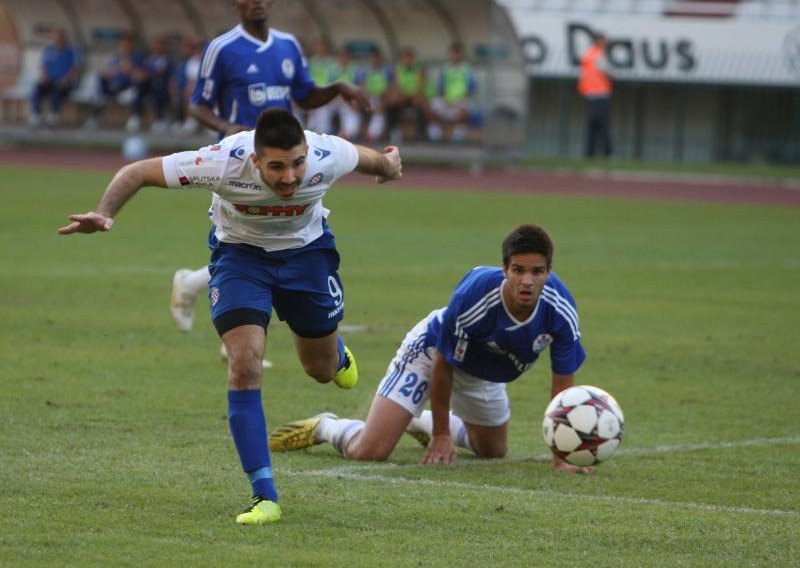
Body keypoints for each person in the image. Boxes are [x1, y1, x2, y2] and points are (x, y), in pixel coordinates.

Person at [58, 108, 404, 524]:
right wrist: (105, 211)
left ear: (307, 152)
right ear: (256, 161)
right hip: (241, 261)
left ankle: (336, 355)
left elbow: (373, 160)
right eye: (276, 167)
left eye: (297, 164)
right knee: (244, 364)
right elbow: (137, 172)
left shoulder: (328, 154)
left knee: (321, 370)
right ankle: (264, 496)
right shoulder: (222, 161)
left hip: (308, 258)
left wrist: (389, 165)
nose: (290, 177)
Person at [268, 224, 593, 475]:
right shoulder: (476, 297)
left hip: (485, 371)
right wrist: (441, 436)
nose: (527, 281)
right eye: (518, 270)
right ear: (505, 268)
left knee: (493, 450)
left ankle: (415, 420)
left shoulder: (560, 309)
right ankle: (328, 426)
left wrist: (562, 456)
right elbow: (443, 364)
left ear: (549, 271)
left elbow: (562, 386)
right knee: (370, 451)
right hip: (431, 354)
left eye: (537, 272)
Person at [170, 0, 370, 343]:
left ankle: (192, 286)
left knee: (268, 242)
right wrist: (226, 126)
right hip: (241, 166)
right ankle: (238, 338)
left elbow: (305, 97)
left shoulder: (288, 45)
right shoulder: (221, 48)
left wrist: (337, 88)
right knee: (250, 242)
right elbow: (197, 104)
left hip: (285, 165)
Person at [84, 31, 145, 130]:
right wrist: (117, 69)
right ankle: (94, 117)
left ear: (132, 45)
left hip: (127, 88)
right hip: (112, 87)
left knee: (137, 90)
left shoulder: (137, 58)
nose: (125, 47)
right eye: (123, 44)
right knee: (100, 86)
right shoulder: (116, 58)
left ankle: (135, 118)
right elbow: (106, 72)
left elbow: (141, 76)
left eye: (128, 44)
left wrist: (131, 69)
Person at [28, 27, 80, 127]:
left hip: (65, 83)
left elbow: (75, 68)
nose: (57, 39)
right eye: (55, 37)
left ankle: (53, 115)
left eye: (59, 37)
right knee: (37, 88)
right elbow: (43, 65)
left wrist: (66, 79)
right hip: (50, 80)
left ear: (64, 38)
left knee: (57, 89)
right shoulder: (49, 50)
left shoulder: (71, 51)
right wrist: (44, 77)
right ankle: (36, 115)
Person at [427, 42, 477, 143]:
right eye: (452, 53)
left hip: (461, 98)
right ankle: (435, 132)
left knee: (464, 107)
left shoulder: (467, 69)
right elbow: (440, 87)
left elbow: (472, 88)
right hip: (447, 98)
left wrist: (459, 98)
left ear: (461, 55)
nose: (455, 56)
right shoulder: (445, 68)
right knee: (432, 105)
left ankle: (459, 133)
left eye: (457, 53)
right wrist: (446, 98)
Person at [128, 36, 175, 134]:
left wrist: (145, 74)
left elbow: (160, 71)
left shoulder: (167, 59)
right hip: (147, 85)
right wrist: (139, 74)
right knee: (139, 89)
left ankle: (157, 121)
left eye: (159, 45)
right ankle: (136, 117)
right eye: (155, 45)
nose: (157, 47)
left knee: (156, 92)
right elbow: (140, 69)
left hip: (162, 86)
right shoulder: (148, 58)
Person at [578, 32, 613, 158]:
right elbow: (607, 71)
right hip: (601, 94)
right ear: (599, 41)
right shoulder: (599, 55)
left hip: (590, 94)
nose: (606, 44)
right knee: (604, 125)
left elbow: (583, 74)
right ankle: (607, 152)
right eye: (604, 41)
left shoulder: (588, 54)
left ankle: (590, 152)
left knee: (592, 125)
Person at [385, 46, 429, 143]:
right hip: (403, 96)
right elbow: (395, 86)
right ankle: (393, 131)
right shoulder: (398, 68)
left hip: (414, 97)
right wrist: (399, 96)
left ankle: (421, 133)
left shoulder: (419, 68)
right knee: (391, 104)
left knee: (421, 105)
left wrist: (412, 96)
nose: (408, 59)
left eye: (410, 56)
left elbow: (421, 86)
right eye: (405, 57)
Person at [355, 46, 392, 142]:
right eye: (372, 58)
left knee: (379, 105)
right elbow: (361, 86)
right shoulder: (364, 71)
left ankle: (372, 133)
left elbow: (390, 87)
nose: (375, 60)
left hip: (381, 97)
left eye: (377, 58)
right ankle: (357, 131)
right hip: (368, 96)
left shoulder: (386, 71)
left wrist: (383, 96)